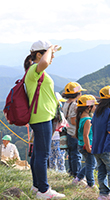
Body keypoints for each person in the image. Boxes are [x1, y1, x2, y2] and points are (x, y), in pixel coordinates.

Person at [24, 40, 65, 199]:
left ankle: (36, 187)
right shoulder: (35, 68)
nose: (52, 56)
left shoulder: (35, 70)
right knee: (43, 155)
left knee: (37, 154)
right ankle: (44, 190)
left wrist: (48, 50)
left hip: (42, 116)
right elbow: (46, 62)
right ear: (39, 54)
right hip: (41, 117)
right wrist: (50, 49)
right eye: (50, 54)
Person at [61, 82, 86, 178]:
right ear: (78, 94)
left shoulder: (66, 103)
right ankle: (76, 174)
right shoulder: (75, 105)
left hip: (68, 131)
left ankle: (71, 172)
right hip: (75, 133)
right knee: (76, 154)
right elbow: (73, 120)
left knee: (71, 153)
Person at [72, 95, 98, 188]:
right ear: (88, 107)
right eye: (94, 105)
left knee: (89, 163)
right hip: (86, 145)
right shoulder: (88, 120)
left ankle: (78, 178)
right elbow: (85, 135)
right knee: (91, 165)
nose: (95, 107)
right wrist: (88, 147)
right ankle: (90, 184)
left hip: (81, 144)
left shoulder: (81, 117)